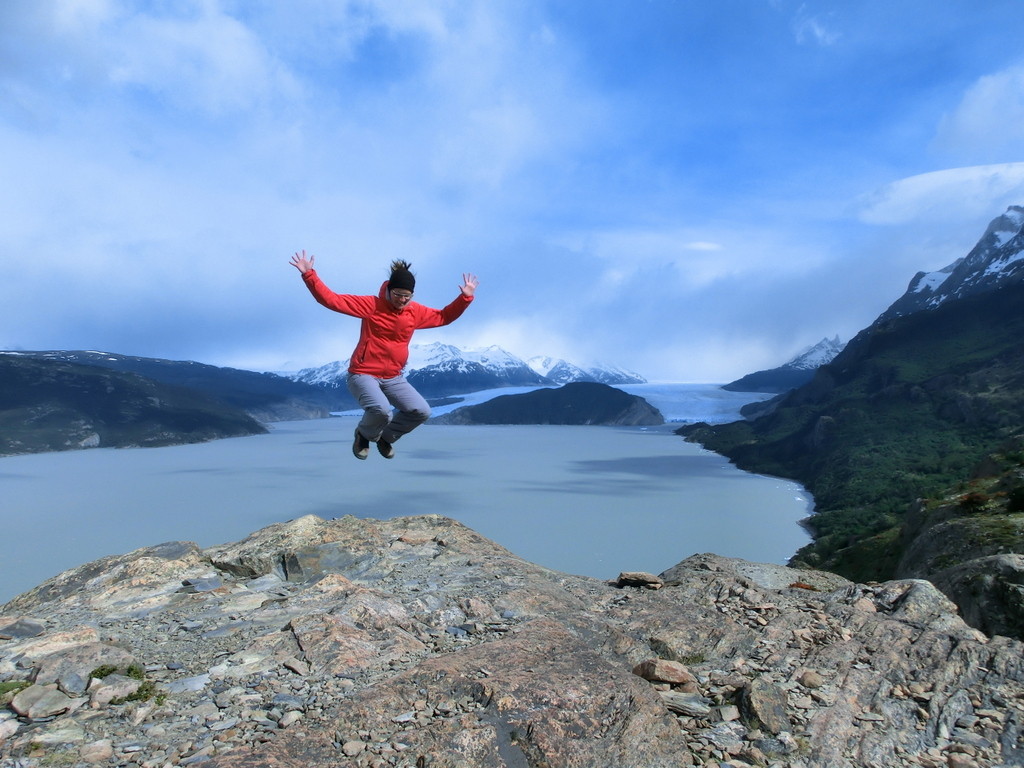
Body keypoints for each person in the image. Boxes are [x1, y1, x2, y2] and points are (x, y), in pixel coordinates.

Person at [289, 250, 479, 460]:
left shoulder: (414, 312)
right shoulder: (371, 306)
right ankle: (363, 434)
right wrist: (309, 275)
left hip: (393, 377)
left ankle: (385, 438)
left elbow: (444, 317)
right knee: (381, 410)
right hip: (363, 374)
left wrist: (465, 298)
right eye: (398, 294)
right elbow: (331, 300)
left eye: (407, 296)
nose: (402, 300)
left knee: (421, 411)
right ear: (388, 289)